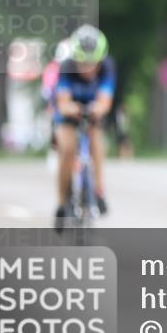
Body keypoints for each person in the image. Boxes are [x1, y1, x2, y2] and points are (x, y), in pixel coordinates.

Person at [53, 24, 116, 230]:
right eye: (83, 62)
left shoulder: (107, 67)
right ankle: (62, 203)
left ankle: (98, 192)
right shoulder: (66, 67)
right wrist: (71, 108)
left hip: (92, 112)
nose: (88, 68)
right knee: (67, 148)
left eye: (93, 63)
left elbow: (105, 101)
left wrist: (99, 109)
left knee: (97, 143)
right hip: (69, 114)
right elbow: (62, 103)